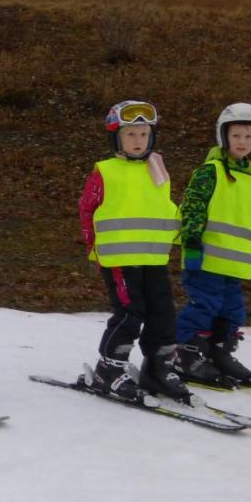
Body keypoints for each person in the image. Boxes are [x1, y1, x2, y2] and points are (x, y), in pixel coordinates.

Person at [77, 100, 190, 404]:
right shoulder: (106, 171)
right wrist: (93, 246)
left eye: (143, 134)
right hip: (118, 259)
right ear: (116, 138)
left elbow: (165, 208)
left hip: (153, 257)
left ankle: (158, 366)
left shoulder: (157, 167)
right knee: (130, 313)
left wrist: (182, 230)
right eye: (130, 135)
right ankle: (108, 369)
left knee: (163, 312)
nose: (138, 141)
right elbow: (87, 208)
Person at [173, 103, 251, 387]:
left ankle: (218, 352)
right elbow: (193, 207)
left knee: (232, 310)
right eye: (237, 135)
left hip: (232, 263)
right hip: (205, 258)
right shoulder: (210, 171)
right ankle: (185, 354)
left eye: (249, 137)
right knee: (204, 307)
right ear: (224, 136)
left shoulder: (250, 178)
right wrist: (191, 244)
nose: (242, 142)